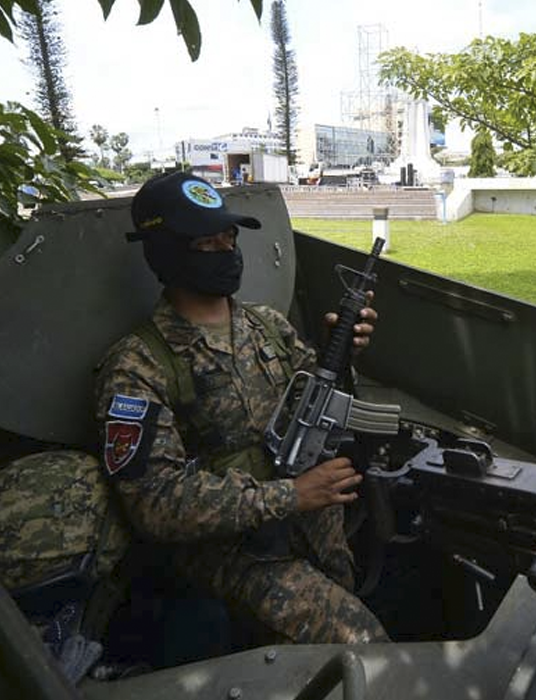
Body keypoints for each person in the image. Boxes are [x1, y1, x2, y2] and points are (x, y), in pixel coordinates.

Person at [93, 172, 388, 645]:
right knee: (363, 645)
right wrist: (290, 496)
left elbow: (314, 398)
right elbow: (156, 504)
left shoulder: (266, 326)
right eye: (207, 243)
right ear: (166, 252)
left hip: (314, 529)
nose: (227, 250)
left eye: (229, 237)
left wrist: (343, 352)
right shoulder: (137, 365)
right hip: (234, 555)